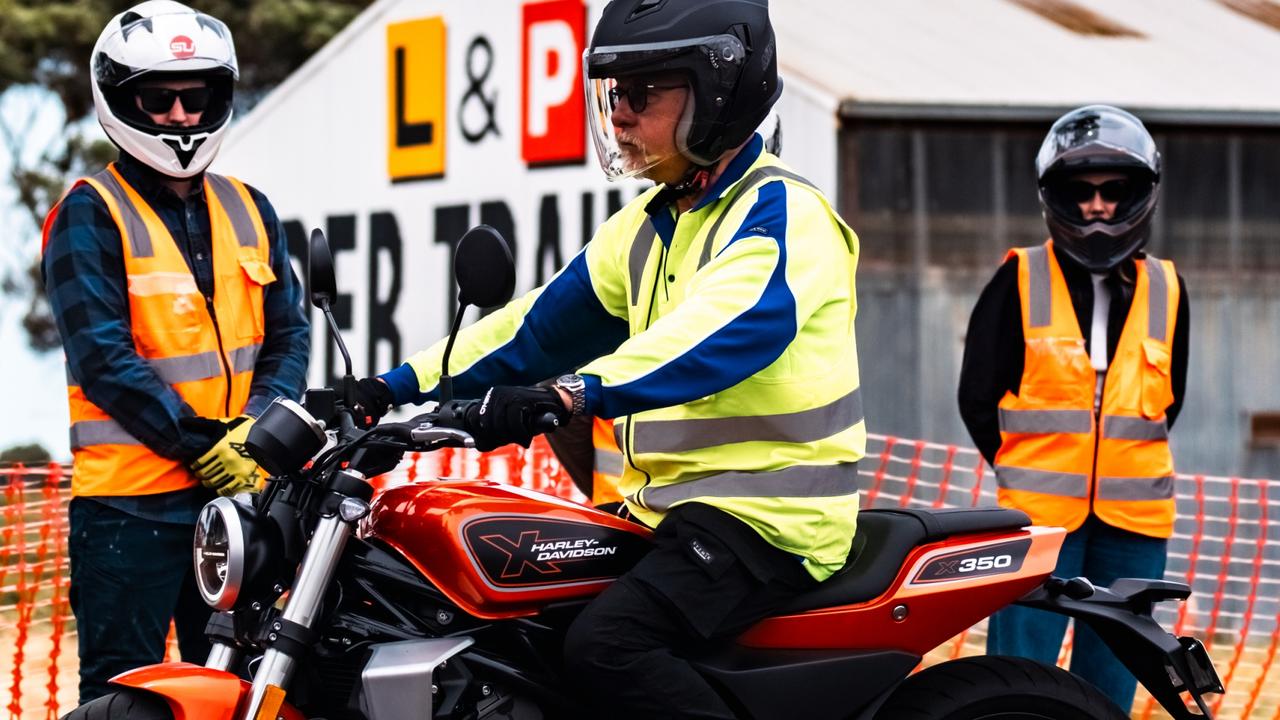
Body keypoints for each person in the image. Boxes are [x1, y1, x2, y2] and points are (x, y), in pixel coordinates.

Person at [354, 1, 864, 716]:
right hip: (663, 514)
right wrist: (387, 386)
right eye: (613, 95)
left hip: (769, 520)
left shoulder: (783, 215)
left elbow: (718, 334)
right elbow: (530, 329)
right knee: (517, 627)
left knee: (606, 648)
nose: (619, 114)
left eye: (641, 93)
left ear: (719, 95)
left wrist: (568, 395)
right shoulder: (651, 223)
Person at [40, 0, 309, 703]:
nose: (183, 116)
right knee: (122, 694)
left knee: (240, 689)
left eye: (199, 97)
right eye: (160, 99)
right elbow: (103, 359)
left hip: (239, 503)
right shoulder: (89, 210)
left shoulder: (252, 208)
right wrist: (204, 445)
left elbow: (288, 335)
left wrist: (255, 432)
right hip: (129, 511)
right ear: (122, 102)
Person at [957, 105, 1189, 711]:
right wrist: (1032, 468)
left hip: (1133, 529)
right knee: (1017, 675)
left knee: (1112, 679)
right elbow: (977, 397)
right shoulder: (1019, 278)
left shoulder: (1168, 287)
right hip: (1039, 520)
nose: (1097, 206)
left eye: (1115, 191)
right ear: (1053, 196)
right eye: (1080, 191)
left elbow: (1170, 401)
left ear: (1141, 194)